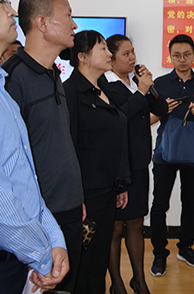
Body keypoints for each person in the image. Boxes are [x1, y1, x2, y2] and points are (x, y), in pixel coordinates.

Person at [0, 0, 69, 294]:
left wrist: (54, 238)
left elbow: (24, 179)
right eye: (1, 1)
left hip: (16, 256)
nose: (12, 11)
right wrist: (41, 254)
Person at [2, 0, 84, 293]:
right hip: (37, 217)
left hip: (69, 208)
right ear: (42, 22)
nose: (74, 24)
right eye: (68, 16)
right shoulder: (11, 79)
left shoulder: (53, 74)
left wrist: (77, 196)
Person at [63, 30, 130, 294]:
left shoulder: (105, 89)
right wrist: (75, 195)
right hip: (85, 193)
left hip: (107, 189)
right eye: (102, 48)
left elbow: (117, 137)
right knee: (82, 260)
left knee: (99, 259)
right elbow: (68, 147)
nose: (109, 53)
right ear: (83, 57)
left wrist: (121, 183)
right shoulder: (70, 92)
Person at [101, 35, 169, 294]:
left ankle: (138, 279)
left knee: (137, 223)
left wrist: (150, 87)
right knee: (116, 226)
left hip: (139, 163)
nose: (132, 58)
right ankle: (117, 282)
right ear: (111, 57)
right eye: (126, 54)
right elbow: (121, 116)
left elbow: (161, 109)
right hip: (119, 165)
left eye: (133, 52)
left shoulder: (135, 82)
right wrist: (141, 91)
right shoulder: (106, 84)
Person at [149, 34, 194, 277]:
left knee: (190, 202)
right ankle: (159, 254)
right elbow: (149, 119)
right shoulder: (160, 83)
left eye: (186, 55)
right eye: (177, 55)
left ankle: (185, 248)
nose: (182, 59)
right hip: (165, 151)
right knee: (159, 204)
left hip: (193, 152)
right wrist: (164, 109)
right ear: (170, 57)